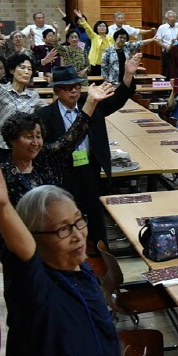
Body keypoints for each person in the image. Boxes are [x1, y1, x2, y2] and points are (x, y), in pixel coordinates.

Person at [0, 161, 120, 356]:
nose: (78, 235)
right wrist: (2, 205)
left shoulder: (81, 269)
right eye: (63, 229)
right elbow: (23, 255)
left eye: (78, 220)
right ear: (33, 238)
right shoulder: (34, 288)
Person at [0, 80, 116, 253]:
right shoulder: (2, 176)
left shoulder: (45, 158)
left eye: (38, 136)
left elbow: (70, 138)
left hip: (57, 245)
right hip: (24, 251)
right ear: (12, 141)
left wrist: (90, 103)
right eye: (28, 137)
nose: (35, 142)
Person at [38, 59, 138, 247]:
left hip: (89, 166)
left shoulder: (92, 103)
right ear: (57, 91)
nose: (74, 91)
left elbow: (117, 99)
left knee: (95, 213)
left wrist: (128, 75)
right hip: (64, 171)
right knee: (67, 215)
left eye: (77, 86)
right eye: (68, 88)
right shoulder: (45, 115)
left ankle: (101, 252)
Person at [74, 9, 114, 77]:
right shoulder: (94, 37)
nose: (102, 28)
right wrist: (81, 18)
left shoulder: (111, 38)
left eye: (104, 26)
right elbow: (88, 28)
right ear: (96, 28)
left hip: (108, 64)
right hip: (95, 64)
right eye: (100, 26)